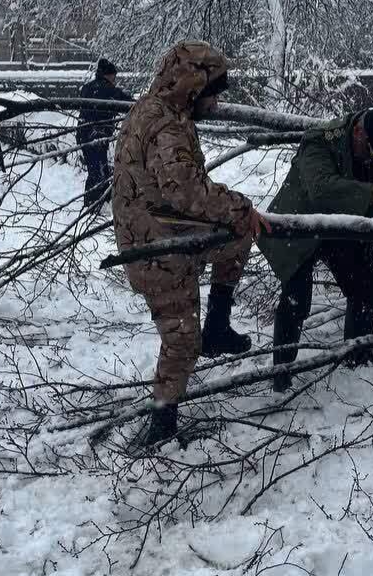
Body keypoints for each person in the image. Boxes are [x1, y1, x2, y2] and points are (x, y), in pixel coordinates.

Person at [112, 40, 269, 445]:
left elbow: (177, 192)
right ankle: (161, 425)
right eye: (213, 93)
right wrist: (239, 205)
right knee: (181, 340)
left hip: (171, 232)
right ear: (192, 87)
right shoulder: (166, 125)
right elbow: (185, 190)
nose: (216, 104)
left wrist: (235, 216)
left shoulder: (154, 110)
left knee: (237, 238)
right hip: (159, 249)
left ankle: (217, 326)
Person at [257, 106, 373, 393]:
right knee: (296, 299)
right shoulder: (320, 140)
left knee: (365, 289)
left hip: (346, 224)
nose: (369, 159)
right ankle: (281, 375)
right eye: (367, 151)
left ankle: (357, 361)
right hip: (303, 222)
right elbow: (321, 189)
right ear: (357, 132)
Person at [76, 57, 129, 210]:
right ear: (108, 75)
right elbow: (127, 103)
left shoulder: (87, 88)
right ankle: (94, 204)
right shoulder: (107, 89)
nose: (115, 80)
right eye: (114, 76)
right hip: (96, 135)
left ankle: (99, 201)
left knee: (98, 168)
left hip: (84, 134)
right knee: (98, 170)